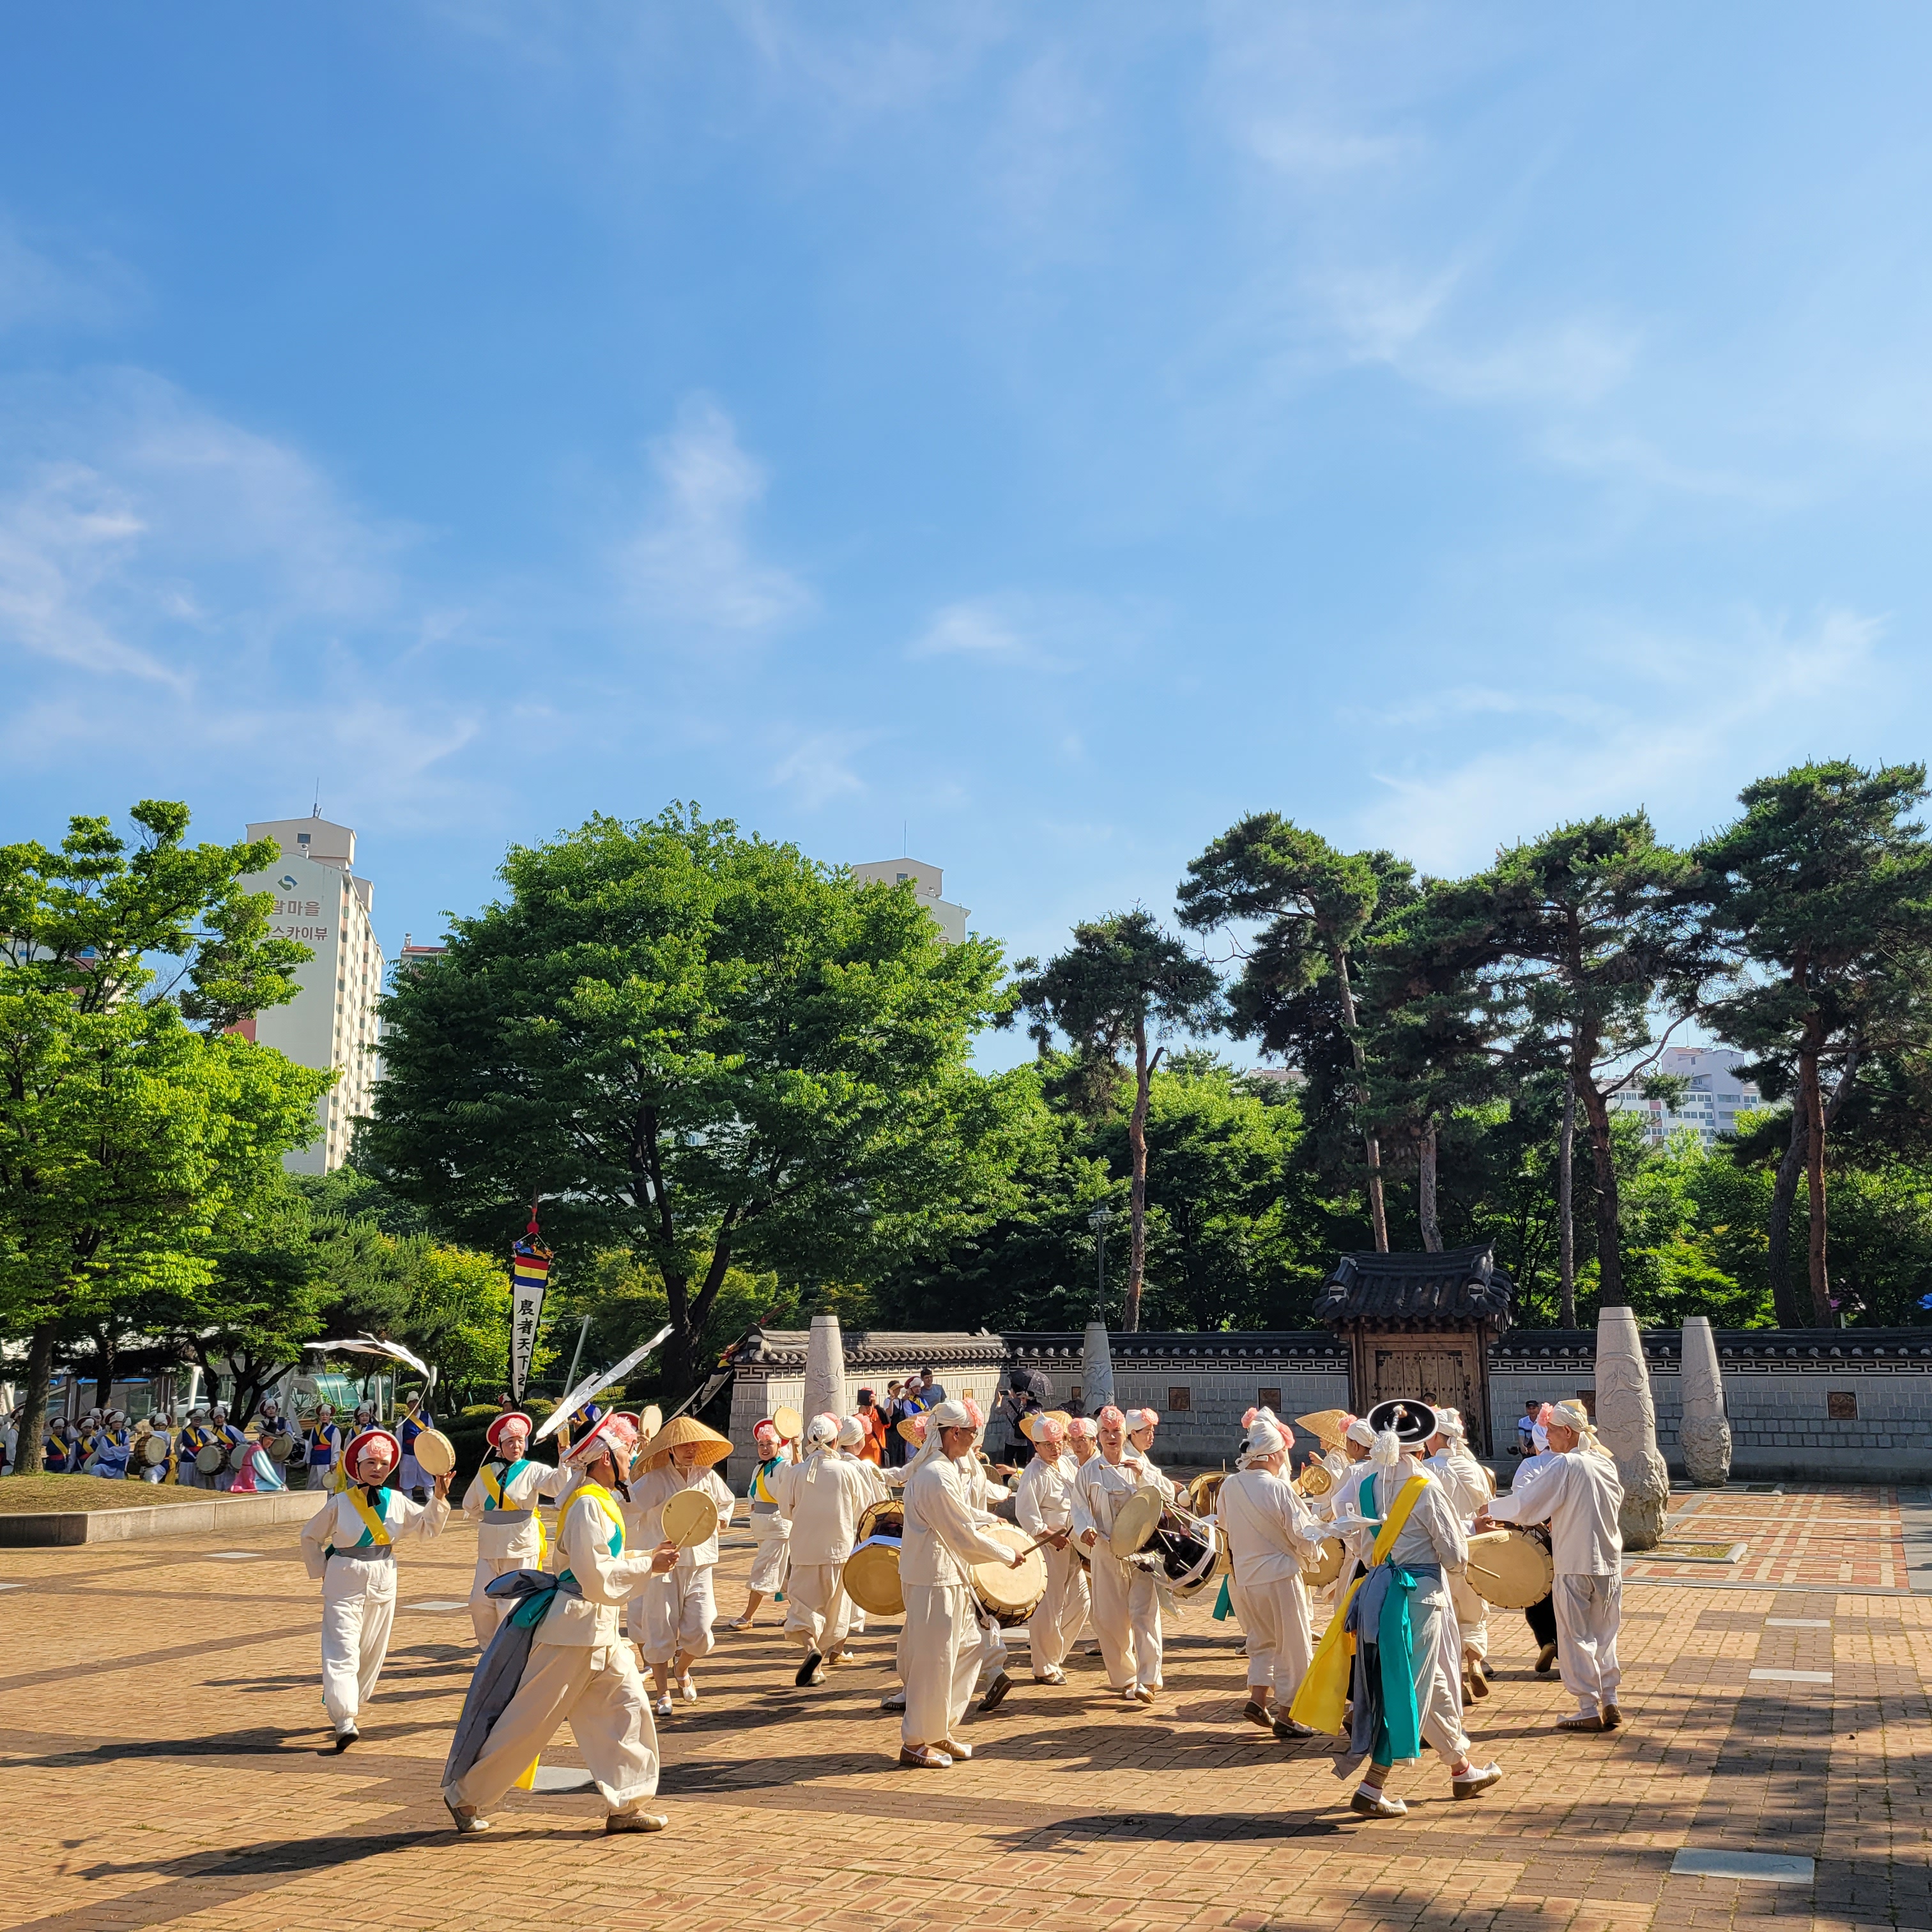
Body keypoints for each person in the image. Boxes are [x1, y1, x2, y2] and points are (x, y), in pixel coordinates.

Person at [441, 1410, 671, 1836]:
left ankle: (627, 1804)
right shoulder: (587, 1504)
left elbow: (604, 1563)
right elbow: (594, 1574)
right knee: (529, 1722)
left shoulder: (598, 1500)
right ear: (606, 1458)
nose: (632, 1460)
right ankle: (464, 1794)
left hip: (599, 1630)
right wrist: (648, 1566)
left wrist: (648, 1559)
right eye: (627, 1453)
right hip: (572, 1631)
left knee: (628, 1710)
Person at [1298, 1399, 1501, 1818]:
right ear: (1423, 1444)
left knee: (1428, 1682)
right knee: (1409, 1687)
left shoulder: (1365, 1485)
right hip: (1418, 1599)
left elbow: (1356, 1540)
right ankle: (1373, 1785)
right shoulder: (1425, 1486)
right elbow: (1455, 1556)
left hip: (1376, 1592)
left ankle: (1462, 1769)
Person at [299, 1424, 452, 1749]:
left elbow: (426, 1529)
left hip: (383, 1578)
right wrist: (322, 1570)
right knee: (342, 1648)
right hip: (344, 1580)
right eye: (371, 1463)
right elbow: (310, 1536)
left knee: (370, 1650)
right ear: (357, 1467)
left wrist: (439, 1497)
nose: (378, 1469)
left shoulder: (397, 1500)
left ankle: (347, 1699)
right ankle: (344, 1720)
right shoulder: (340, 1503)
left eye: (383, 1464)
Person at [1477, 1399, 1626, 1731]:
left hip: (1574, 1561)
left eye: (1552, 1431)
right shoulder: (1604, 1464)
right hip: (1609, 1562)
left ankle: (1587, 1706)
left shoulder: (1567, 1464)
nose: (1547, 1437)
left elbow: (1528, 1505)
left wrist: (1491, 1510)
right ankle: (1610, 1698)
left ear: (1567, 1432)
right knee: (1605, 1634)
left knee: (1575, 1635)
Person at [898, 1397, 1027, 1768]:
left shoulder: (944, 1469)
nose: (974, 1438)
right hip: (932, 1579)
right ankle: (915, 1741)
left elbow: (960, 1513)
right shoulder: (935, 1474)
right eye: (972, 1432)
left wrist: (990, 1521)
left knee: (968, 1648)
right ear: (955, 1432)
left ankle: (937, 1728)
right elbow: (962, 1535)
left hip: (947, 1574)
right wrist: (1005, 1553)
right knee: (932, 1661)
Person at [1218, 1409, 1321, 1739]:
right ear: (1274, 1454)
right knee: (1294, 1647)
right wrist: (1318, 1549)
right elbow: (1303, 1534)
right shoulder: (1279, 1489)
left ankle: (1258, 1698)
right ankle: (1288, 1715)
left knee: (1261, 1641)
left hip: (1245, 1579)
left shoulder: (1230, 1485)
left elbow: (1223, 1527)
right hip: (1279, 1576)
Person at [624, 1416, 737, 1714]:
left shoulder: (707, 1476)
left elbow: (726, 1502)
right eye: (684, 1445)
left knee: (701, 1631)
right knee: (659, 1625)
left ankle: (682, 1668)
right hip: (664, 1564)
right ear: (671, 1449)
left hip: (700, 1561)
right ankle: (662, 1692)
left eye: (694, 1445)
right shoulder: (655, 1479)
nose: (690, 1450)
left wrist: (721, 1519)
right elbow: (627, 1507)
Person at [774, 1412, 889, 1684]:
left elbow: (786, 1511)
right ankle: (818, 1664)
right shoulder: (848, 1471)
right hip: (840, 1550)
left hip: (804, 1550)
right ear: (836, 1441)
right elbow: (863, 1510)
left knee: (802, 1607)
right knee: (835, 1611)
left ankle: (811, 1649)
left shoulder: (796, 1473)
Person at [1071, 1404, 1174, 1706]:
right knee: (1109, 1618)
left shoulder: (1139, 1464)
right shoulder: (1088, 1471)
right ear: (1098, 1436)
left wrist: (1144, 1476)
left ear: (1124, 1434)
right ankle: (1126, 1677)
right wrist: (1085, 1529)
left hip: (1142, 1552)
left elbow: (1167, 1496)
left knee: (1145, 1615)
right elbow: (1079, 1507)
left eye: (1116, 1431)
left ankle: (1148, 1679)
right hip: (1105, 1552)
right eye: (1105, 1431)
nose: (1111, 1437)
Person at [461, 1410, 573, 1647]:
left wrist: (564, 1460)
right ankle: (489, 1648)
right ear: (500, 1445)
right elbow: (470, 1505)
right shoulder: (486, 1473)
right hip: (489, 1546)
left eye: (520, 1441)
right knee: (480, 1602)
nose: (516, 1446)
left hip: (521, 1544)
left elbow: (558, 1486)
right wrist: (494, 1521)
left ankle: (511, 1649)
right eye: (510, 1442)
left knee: (512, 1603)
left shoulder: (533, 1470)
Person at [1425, 1409, 1496, 1701]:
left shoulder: (1427, 1470)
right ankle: (1475, 1662)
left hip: (1441, 1550)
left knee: (1447, 1616)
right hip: (1476, 1550)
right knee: (1474, 1612)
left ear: (1436, 1437)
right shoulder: (1476, 1469)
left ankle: (1458, 1683)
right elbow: (1487, 1512)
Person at [1013, 1413, 1087, 1686]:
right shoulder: (1034, 1474)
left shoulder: (1066, 1464)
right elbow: (1026, 1514)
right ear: (1036, 1446)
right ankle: (1044, 1666)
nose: (1055, 1449)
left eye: (1058, 1443)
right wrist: (1048, 1534)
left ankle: (1053, 1656)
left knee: (1082, 1601)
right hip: (1049, 1547)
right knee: (1050, 1605)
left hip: (1073, 1543)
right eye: (1048, 1445)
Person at [1512, 1405, 1562, 1673]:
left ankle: (1547, 1640)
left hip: (1537, 1539)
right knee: (1568, 1593)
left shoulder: (1531, 1465)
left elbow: (1520, 1503)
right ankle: (1568, 1649)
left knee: (1537, 1594)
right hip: (1569, 1537)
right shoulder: (1577, 1463)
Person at [730, 1419, 792, 1630]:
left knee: (763, 1569)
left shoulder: (786, 1466)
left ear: (779, 1445)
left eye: (769, 1444)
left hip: (778, 1526)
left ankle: (747, 1616)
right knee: (785, 1572)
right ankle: (797, 1613)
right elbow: (752, 1494)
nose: (765, 1448)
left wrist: (796, 1447)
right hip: (762, 1526)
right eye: (761, 1445)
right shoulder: (758, 1468)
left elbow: (794, 1484)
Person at [397, 1393, 435, 1503]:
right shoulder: (403, 1419)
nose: (414, 1404)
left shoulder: (426, 1416)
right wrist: (400, 1453)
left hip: (424, 1452)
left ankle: (431, 1501)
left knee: (427, 1478)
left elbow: (432, 1433)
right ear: (408, 1405)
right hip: (408, 1453)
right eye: (411, 1402)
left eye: (416, 1402)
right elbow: (399, 1437)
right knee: (407, 1479)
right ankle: (408, 1502)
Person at [303, 1404, 344, 1492]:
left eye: (327, 1415)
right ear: (319, 1416)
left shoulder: (334, 1430)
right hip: (315, 1461)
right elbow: (310, 1446)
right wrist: (308, 1460)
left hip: (326, 1461)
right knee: (312, 1486)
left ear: (330, 1416)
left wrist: (334, 1462)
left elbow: (336, 1447)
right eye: (322, 1415)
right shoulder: (315, 1429)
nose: (325, 1417)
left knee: (326, 1486)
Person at [852, 1388, 890, 1466]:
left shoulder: (879, 1416)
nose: (868, 1407)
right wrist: (860, 1414)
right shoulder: (856, 1417)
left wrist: (876, 1405)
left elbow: (887, 1422)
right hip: (861, 1458)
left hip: (877, 1458)